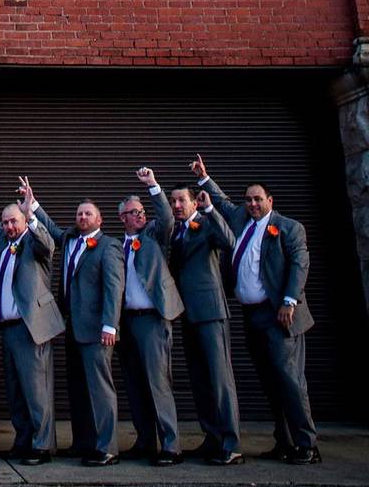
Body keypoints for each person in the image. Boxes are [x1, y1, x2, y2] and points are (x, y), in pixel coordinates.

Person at [193, 154, 319, 464]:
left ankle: (307, 444)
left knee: (290, 380)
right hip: (252, 315)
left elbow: (300, 266)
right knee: (270, 380)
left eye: (258, 199)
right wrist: (203, 177)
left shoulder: (288, 228)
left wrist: (289, 300)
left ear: (270, 200)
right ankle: (284, 441)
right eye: (249, 199)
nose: (252, 204)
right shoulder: (240, 220)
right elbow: (221, 202)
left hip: (279, 314)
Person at [33, 187, 124, 467]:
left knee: (100, 387)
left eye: (88, 214)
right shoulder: (70, 238)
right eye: (79, 214)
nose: (82, 218)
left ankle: (106, 446)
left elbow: (113, 288)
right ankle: (84, 441)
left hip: (96, 329)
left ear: (100, 220)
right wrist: (32, 204)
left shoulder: (109, 246)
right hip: (71, 327)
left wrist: (110, 325)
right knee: (78, 388)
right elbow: (49, 227)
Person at [0, 177, 64, 465]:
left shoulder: (34, 241)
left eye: (13, 221)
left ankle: (41, 446)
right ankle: (23, 440)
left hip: (31, 328)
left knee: (36, 389)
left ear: (23, 221)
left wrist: (31, 213)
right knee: (15, 390)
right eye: (5, 222)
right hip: (8, 329)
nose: (8, 226)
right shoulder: (5, 240)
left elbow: (48, 243)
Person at [167, 181, 242, 465]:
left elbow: (229, 241)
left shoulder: (208, 224)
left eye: (181, 201)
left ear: (194, 202)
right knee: (200, 380)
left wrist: (211, 208)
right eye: (172, 201)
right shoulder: (177, 233)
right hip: (188, 314)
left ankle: (231, 444)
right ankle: (212, 437)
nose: (176, 206)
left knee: (220, 380)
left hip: (211, 313)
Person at [116, 167, 185, 466]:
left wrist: (153, 186)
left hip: (152, 321)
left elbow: (168, 219)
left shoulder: (155, 236)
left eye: (141, 211)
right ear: (123, 218)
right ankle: (145, 440)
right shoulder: (117, 246)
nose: (140, 215)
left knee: (158, 383)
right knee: (134, 383)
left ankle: (171, 445)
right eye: (133, 212)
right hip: (127, 322)